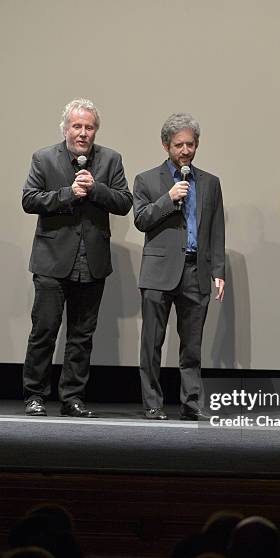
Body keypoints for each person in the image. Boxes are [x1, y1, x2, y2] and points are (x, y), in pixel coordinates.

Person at [22, 99, 132, 418]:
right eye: (77, 126)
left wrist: (95, 189)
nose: (83, 133)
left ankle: (72, 397)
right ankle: (35, 395)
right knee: (44, 331)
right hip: (51, 262)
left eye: (89, 127)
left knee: (81, 336)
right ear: (66, 128)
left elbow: (124, 202)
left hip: (92, 262)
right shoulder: (44, 158)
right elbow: (29, 199)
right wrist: (68, 194)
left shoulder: (111, 160)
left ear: (95, 130)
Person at [133, 112, 225, 421]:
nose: (185, 151)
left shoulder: (210, 183)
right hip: (159, 272)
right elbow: (141, 220)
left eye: (190, 145)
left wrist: (218, 271)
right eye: (178, 145)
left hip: (195, 270)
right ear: (166, 146)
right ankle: (153, 403)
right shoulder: (146, 180)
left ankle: (191, 403)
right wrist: (168, 199)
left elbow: (216, 230)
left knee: (193, 345)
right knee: (152, 343)